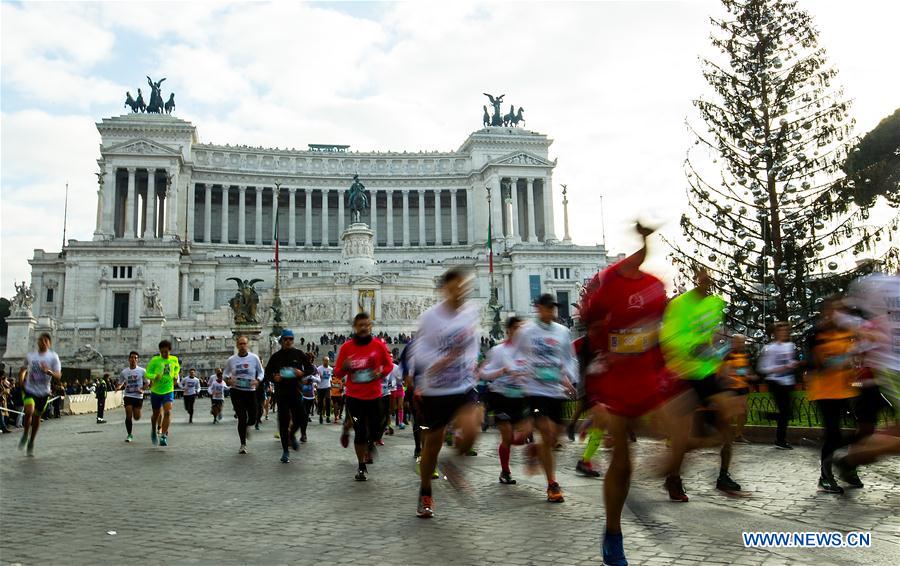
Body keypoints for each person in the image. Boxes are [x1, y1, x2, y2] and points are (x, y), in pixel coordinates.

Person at [578, 223, 677, 566]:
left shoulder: (655, 287)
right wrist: (595, 390)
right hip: (616, 380)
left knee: (682, 434)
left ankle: (658, 480)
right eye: (640, 240)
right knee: (621, 462)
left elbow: (660, 331)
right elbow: (589, 330)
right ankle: (613, 532)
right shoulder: (606, 283)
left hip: (650, 377)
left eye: (647, 240)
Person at [660, 266, 742, 500]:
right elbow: (668, 338)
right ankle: (673, 476)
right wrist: (692, 348)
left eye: (710, 276)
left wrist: (719, 360)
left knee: (729, 420)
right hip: (683, 374)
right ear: (695, 278)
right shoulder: (679, 305)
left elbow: (711, 336)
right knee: (684, 436)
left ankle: (723, 475)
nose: (707, 280)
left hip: (707, 372)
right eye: (702, 276)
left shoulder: (715, 304)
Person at [412, 267, 482, 518]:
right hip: (436, 388)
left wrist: (472, 363)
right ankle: (425, 491)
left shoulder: (470, 313)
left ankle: (453, 464)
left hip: (462, 384)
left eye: (463, 286)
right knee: (433, 443)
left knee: (473, 428)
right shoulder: (431, 317)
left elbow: (472, 343)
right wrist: (439, 362)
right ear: (445, 289)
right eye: (455, 286)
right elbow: (419, 352)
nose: (460, 290)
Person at [514, 294, 577, 502]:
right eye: (547, 308)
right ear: (538, 308)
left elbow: (568, 359)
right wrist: (523, 374)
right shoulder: (527, 332)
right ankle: (552, 484)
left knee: (554, 438)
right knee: (547, 431)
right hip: (535, 390)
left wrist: (569, 379)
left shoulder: (563, 332)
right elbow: (518, 356)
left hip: (555, 390)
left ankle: (535, 450)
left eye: (553, 308)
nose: (551, 312)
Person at [805, 296, 859, 494]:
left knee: (858, 431)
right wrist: (843, 361)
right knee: (833, 435)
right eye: (833, 310)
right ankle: (825, 476)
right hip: (825, 392)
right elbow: (820, 365)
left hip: (845, 390)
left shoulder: (846, 333)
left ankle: (846, 467)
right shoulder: (818, 335)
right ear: (825, 313)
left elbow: (854, 357)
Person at [334, 313, 394, 481]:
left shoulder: (378, 346)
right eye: (360, 325)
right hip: (354, 397)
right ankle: (361, 466)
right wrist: (344, 367)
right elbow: (338, 372)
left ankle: (370, 443)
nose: (363, 328)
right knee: (360, 432)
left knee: (377, 428)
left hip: (375, 396)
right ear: (355, 327)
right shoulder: (346, 348)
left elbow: (389, 365)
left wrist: (380, 372)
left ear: (370, 326)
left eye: (366, 325)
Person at [478, 316, 530, 485]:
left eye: (521, 328)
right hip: (500, 396)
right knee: (507, 436)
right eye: (516, 328)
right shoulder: (498, 351)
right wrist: (502, 371)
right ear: (508, 330)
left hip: (520, 397)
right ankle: (505, 471)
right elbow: (483, 374)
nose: (519, 331)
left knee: (522, 438)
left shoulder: (527, 351)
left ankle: (507, 449)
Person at [264, 329, 317, 463]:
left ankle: (292, 434)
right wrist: (273, 378)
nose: (288, 341)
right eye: (285, 339)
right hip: (282, 393)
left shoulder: (298, 354)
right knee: (283, 421)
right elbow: (267, 373)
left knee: (301, 418)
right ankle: (285, 451)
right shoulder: (276, 356)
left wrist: (301, 373)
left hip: (296, 391)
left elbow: (311, 369)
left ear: (293, 340)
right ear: (282, 341)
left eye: (290, 339)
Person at [17, 333, 62, 456]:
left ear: (49, 343)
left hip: (44, 392)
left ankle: (31, 441)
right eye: (40, 340)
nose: (41, 342)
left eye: (44, 340)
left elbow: (58, 376)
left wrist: (50, 372)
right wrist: (21, 380)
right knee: (29, 412)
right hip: (29, 389)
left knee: (36, 418)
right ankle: (25, 434)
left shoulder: (53, 357)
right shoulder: (31, 355)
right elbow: (23, 369)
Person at [758, 321, 799, 449]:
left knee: (789, 412)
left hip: (788, 382)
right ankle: (780, 440)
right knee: (785, 411)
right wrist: (782, 367)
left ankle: (767, 416)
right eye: (781, 331)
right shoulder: (769, 348)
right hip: (775, 382)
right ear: (775, 333)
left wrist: (793, 364)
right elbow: (763, 368)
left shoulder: (790, 346)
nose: (785, 333)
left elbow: (790, 361)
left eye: (787, 330)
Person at [223, 336, 264, 454]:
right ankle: (243, 444)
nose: (242, 346)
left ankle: (247, 426)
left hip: (250, 391)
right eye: (240, 344)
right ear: (237, 345)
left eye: (244, 344)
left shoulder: (254, 358)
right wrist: (228, 380)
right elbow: (226, 374)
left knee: (253, 418)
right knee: (241, 418)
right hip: (237, 392)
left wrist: (258, 380)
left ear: (247, 345)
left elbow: (261, 372)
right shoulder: (231, 360)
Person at [719, 334, 756, 443]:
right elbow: (727, 371)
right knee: (730, 414)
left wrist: (750, 376)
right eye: (739, 342)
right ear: (733, 343)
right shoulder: (729, 356)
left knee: (743, 412)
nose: (741, 344)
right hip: (731, 387)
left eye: (743, 342)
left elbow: (746, 369)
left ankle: (738, 435)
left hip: (742, 387)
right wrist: (743, 374)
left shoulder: (744, 355)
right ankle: (726, 435)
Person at [145, 340, 181, 447]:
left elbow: (177, 368)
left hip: (168, 390)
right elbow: (147, 373)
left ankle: (164, 436)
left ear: (170, 351)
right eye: (162, 352)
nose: (164, 354)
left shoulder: (174, 359)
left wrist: (175, 375)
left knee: (168, 412)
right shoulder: (155, 360)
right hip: (156, 391)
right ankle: (153, 429)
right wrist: (154, 376)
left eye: (166, 352)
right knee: (156, 414)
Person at [116, 352, 148, 442]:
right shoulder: (124, 372)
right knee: (128, 413)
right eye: (132, 357)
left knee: (137, 417)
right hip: (128, 395)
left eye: (135, 358)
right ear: (129, 359)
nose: (133, 359)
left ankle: (137, 412)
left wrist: (142, 389)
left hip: (138, 396)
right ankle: (129, 434)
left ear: (137, 360)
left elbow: (148, 382)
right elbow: (121, 382)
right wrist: (118, 387)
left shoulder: (142, 371)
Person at [300, 357, 320, 440]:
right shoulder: (300, 367)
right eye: (308, 360)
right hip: (299, 394)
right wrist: (302, 380)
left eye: (311, 361)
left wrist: (311, 377)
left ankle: (303, 434)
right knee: (300, 415)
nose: (309, 362)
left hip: (310, 395)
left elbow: (319, 380)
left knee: (305, 415)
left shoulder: (314, 368)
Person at [316, 356, 334, 424]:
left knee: (328, 401)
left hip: (327, 387)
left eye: (328, 361)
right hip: (320, 387)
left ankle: (328, 416)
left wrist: (331, 382)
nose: (326, 362)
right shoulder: (319, 368)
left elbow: (330, 377)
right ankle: (320, 415)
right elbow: (316, 376)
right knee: (320, 402)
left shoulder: (330, 369)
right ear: (323, 361)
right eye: (325, 361)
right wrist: (318, 378)